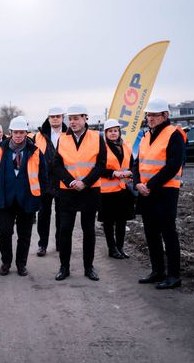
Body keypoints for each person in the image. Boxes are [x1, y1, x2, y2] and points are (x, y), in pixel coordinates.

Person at [133, 98, 185, 290]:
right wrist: (137, 183)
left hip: (165, 191)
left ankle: (173, 275)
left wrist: (149, 185)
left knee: (168, 233)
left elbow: (173, 165)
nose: (150, 118)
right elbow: (136, 163)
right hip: (146, 192)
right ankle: (158, 271)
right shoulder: (146, 136)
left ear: (165, 115)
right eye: (148, 115)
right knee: (151, 233)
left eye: (154, 115)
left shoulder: (174, 134)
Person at [0, 116, 47, 277]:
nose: (19, 135)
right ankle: (6, 262)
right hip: (5, 199)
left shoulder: (35, 152)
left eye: (22, 132)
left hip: (27, 200)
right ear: (10, 132)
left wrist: (38, 196)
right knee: (4, 233)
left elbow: (43, 177)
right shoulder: (0, 150)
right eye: (16, 132)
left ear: (26, 133)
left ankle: (21, 264)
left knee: (24, 235)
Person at [52, 104, 106, 282]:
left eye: (76, 118)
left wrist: (85, 183)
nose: (72, 122)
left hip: (89, 190)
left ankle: (89, 267)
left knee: (88, 230)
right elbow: (56, 165)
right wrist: (70, 181)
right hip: (67, 191)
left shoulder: (97, 137)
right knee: (65, 230)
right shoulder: (62, 138)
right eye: (70, 119)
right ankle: (64, 267)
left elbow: (101, 165)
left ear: (85, 118)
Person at [33, 106, 68, 257]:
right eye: (52, 116)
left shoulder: (69, 134)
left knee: (62, 214)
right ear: (48, 118)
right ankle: (42, 245)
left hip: (62, 180)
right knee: (43, 214)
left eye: (57, 116)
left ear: (62, 118)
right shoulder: (38, 136)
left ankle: (60, 243)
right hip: (44, 180)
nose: (55, 119)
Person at [98, 119, 135, 259]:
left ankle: (120, 247)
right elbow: (98, 169)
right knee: (108, 222)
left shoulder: (126, 145)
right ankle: (112, 249)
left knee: (122, 221)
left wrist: (131, 172)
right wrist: (113, 173)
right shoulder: (102, 148)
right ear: (105, 133)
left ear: (119, 132)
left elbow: (133, 164)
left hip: (123, 190)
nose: (113, 133)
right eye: (110, 131)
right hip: (107, 192)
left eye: (115, 131)